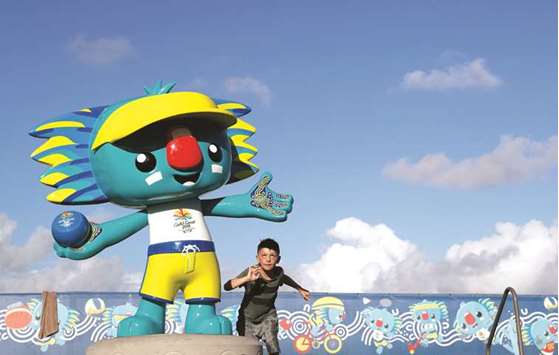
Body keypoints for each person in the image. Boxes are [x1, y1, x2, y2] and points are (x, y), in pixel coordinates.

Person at [224, 238, 310, 355]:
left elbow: (285, 278)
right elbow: (227, 286)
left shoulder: (279, 272)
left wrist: (299, 288)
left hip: (268, 317)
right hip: (248, 320)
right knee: (250, 350)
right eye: (264, 255)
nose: (268, 259)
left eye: (272, 256)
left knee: (273, 347)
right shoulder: (252, 272)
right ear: (258, 258)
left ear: (278, 259)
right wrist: (247, 279)